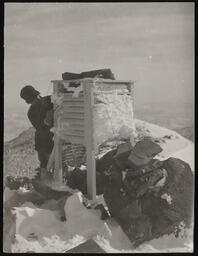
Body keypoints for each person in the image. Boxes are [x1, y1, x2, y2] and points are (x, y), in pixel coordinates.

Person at [20, 85, 54, 179]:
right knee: (49, 162)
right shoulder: (48, 100)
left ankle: (46, 181)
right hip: (52, 138)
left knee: (45, 162)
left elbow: (40, 127)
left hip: (44, 141)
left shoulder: (31, 111)